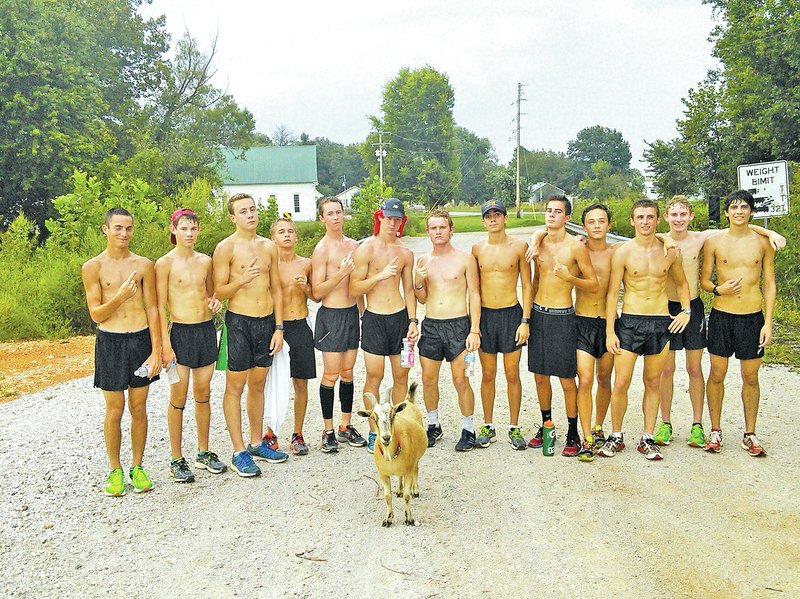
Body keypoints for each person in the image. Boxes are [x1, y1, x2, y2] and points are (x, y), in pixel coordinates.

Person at [655, 195, 785, 449]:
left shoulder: (704, 237)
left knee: (698, 369)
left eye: (684, 214)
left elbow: (740, 226)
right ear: (666, 217)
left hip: (696, 308)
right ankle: (666, 424)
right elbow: (643, 235)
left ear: (691, 216)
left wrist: (769, 231)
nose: (679, 219)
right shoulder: (662, 240)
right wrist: (663, 237)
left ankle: (699, 426)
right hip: (668, 309)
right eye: (674, 214)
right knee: (669, 370)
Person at [601, 199, 691, 461]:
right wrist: (610, 330)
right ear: (632, 221)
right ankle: (616, 435)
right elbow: (611, 294)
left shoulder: (669, 251)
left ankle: (647, 438)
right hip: (630, 322)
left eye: (650, 217)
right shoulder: (623, 252)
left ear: (657, 220)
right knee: (621, 382)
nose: (645, 222)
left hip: (660, 323)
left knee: (653, 382)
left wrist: (686, 311)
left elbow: (683, 284)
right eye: (640, 217)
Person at [82, 207, 162, 496]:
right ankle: (115, 470)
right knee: (114, 409)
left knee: (139, 407)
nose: (123, 234)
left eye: (128, 228)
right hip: (110, 342)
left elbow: (153, 307)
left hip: (140, 340)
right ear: (105, 229)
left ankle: (137, 466)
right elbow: (96, 314)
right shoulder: (93, 267)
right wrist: (120, 296)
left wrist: (157, 349)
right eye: (117, 228)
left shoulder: (143, 265)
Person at [212, 193, 288, 478]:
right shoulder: (225, 248)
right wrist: (242, 279)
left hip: (266, 323)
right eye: (243, 211)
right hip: (239, 323)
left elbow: (276, 288)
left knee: (258, 384)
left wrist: (279, 327)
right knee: (235, 386)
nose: (250, 215)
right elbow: (219, 291)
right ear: (233, 217)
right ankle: (239, 450)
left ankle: (257, 443)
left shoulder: (269, 247)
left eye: (253, 209)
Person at [700, 190, 776, 457]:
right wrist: (719, 290)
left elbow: (769, 283)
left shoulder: (762, 242)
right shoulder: (715, 242)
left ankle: (750, 433)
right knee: (717, 374)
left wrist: (768, 322)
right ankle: (715, 430)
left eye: (744, 207)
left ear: (751, 212)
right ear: (727, 213)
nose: (739, 212)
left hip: (752, 318)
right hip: (722, 316)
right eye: (734, 207)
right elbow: (705, 281)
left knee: (750, 377)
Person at [156, 208, 227, 483]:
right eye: (183, 228)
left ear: (198, 230)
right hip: (180, 333)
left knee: (203, 392)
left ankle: (204, 451)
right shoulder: (164, 263)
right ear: (173, 230)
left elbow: (212, 292)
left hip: (205, 330)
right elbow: (159, 306)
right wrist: (165, 345)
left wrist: (215, 302)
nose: (189, 233)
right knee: (178, 397)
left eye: (193, 228)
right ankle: (176, 457)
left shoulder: (205, 261)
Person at [525, 195, 598, 457]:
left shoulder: (575, 247)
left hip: (564, 316)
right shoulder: (539, 243)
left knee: (567, 378)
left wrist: (569, 277)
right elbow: (534, 282)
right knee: (540, 376)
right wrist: (527, 318)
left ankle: (572, 431)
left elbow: (593, 283)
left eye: (558, 212)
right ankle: (547, 425)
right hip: (538, 314)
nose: (552, 215)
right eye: (548, 211)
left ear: (567, 217)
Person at [349, 198, 418, 452]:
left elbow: (409, 290)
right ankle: (374, 431)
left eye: (397, 219)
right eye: (388, 217)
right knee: (374, 376)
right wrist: (379, 275)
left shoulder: (405, 253)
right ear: (380, 217)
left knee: (402, 375)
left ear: (402, 222)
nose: (392, 222)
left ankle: (398, 427)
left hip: (400, 318)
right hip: (375, 319)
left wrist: (413, 321)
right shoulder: (365, 248)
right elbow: (354, 287)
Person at [415, 210, 481, 452]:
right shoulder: (422, 261)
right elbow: (421, 298)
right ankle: (433, 424)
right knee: (428, 379)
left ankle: (468, 428)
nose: (438, 232)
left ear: (451, 229)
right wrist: (418, 281)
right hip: (432, 325)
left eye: (442, 227)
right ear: (428, 232)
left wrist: (474, 329)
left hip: (458, 325)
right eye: (433, 228)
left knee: (460, 379)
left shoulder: (464, 259)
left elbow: (474, 294)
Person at [470, 199, 532, 450]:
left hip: (511, 315)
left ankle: (514, 426)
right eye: (489, 216)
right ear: (483, 221)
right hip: (486, 316)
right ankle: (487, 424)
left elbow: (528, 285)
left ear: (506, 218)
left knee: (512, 374)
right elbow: (473, 290)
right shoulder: (476, 249)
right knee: (487, 374)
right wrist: (474, 325)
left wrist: (525, 320)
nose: (493, 219)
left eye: (498, 214)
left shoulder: (519, 247)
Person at [311, 197, 366, 453]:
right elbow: (317, 290)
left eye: (338, 212)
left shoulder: (354, 246)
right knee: (331, 374)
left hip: (351, 314)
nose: (335, 217)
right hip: (331, 315)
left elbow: (359, 286)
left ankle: (346, 425)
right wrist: (341, 274)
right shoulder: (322, 249)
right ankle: (328, 430)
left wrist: (363, 314)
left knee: (348, 372)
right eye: (330, 213)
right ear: (322, 218)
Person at [271, 216, 319, 456]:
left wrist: (305, 288)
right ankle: (271, 432)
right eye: (282, 231)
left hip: (300, 323)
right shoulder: (269, 265)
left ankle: (297, 433)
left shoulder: (306, 264)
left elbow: (317, 296)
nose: (287, 235)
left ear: (296, 236)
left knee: (300, 382)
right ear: (273, 238)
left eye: (290, 231)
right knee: (272, 381)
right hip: (276, 327)